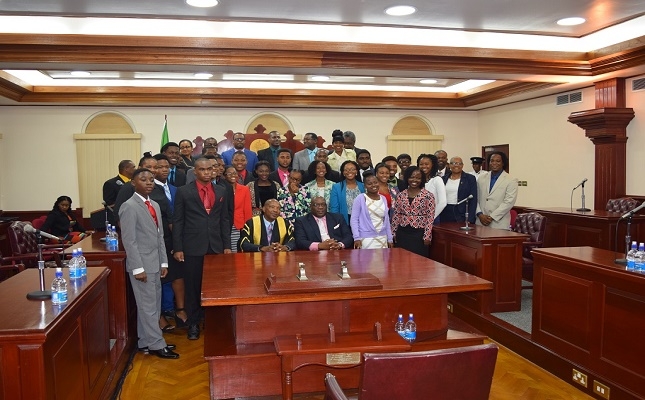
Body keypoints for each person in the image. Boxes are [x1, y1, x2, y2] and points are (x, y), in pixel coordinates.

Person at [118, 168, 179, 359]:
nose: (149, 183)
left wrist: (164, 263)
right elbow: (129, 240)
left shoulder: (154, 205)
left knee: (152, 304)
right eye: (143, 179)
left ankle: (145, 341)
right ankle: (156, 344)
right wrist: (138, 267)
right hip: (142, 265)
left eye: (151, 180)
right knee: (148, 306)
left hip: (155, 263)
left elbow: (160, 236)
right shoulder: (129, 206)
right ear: (133, 183)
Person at [172, 158, 231, 340]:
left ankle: (214, 323)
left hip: (216, 246)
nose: (207, 172)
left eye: (210, 169)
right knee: (192, 287)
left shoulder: (221, 190)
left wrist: (227, 246)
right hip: (192, 246)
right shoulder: (183, 191)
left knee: (216, 286)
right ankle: (193, 324)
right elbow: (178, 221)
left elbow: (224, 219)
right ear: (195, 172)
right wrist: (178, 247)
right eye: (203, 169)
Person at [391, 166, 436, 257]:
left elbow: (430, 216)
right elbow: (396, 215)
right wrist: (393, 232)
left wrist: (427, 235)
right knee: (401, 259)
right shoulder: (401, 195)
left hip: (419, 233)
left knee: (418, 260)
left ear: (422, 180)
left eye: (418, 178)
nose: (414, 180)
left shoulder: (428, 195)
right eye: (411, 177)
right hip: (402, 232)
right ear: (407, 178)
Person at [476, 151, 518, 230]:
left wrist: (491, 217)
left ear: (503, 163)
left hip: (499, 223)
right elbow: (476, 198)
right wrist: (480, 214)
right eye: (492, 161)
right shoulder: (481, 178)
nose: (494, 163)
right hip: (480, 221)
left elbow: (509, 202)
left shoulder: (511, 180)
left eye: (498, 161)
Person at [350, 173, 393, 249]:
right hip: (366, 239)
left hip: (383, 238)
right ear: (365, 186)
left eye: (375, 182)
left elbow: (386, 220)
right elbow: (354, 219)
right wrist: (356, 237)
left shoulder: (383, 198)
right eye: (369, 184)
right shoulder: (360, 198)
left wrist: (390, 238)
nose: (373, 185)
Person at [223, 165, 252, 253]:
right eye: (229, 173)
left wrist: (247, 226)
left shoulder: (244, 189)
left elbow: (247, 209)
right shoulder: (221, 189)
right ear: (224, 175)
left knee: (236, 249)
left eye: (235, 173)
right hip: (225, 223)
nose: (233, 175)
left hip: (239, 224)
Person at [440, 156, 478, 223]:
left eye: (459, 163)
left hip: (461, 213)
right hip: (445, 212)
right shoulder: (443, 179)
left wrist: (470, 219)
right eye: (454, 163)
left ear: (462, 165)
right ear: (449, 165)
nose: (456, 165)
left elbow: (473, 200)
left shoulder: (470, 178)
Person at [330, 160, 365, 225]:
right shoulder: (337, 187)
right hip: (345, 221)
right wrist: (337, 222)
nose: (349, 171)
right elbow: (334, 208)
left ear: (356, 171)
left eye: (352, 169)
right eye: (346, 170)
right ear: (343, 172)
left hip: (362, 220)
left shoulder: (363, 186)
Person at [417, 154, 446, 221]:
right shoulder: (416, 180)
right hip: (418, 218)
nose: (424, 166)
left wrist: (431, 217)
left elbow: (443, 202)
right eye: (421, 164)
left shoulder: (437, 180)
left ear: (432, 165)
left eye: (426, 164)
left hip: (432, 218)